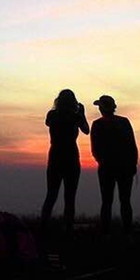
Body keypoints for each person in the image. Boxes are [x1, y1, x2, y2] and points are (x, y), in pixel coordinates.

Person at [41, 89, 89, 234]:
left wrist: (78, 115)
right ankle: (68, 228)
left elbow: (48, 122)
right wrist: (81, 114)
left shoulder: (52, 115)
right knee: (70, 196)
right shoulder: (75, 116)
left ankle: (44, 227)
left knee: (51, 194)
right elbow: (86, 130)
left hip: (55, 157)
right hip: (71, 158)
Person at [90, 95, 138, 234]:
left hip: (108, 168)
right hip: (122, 167)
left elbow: (95, 149)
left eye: (100, 106)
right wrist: (133, 164)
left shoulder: (98, 124)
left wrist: (102, 162)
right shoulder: (123, 122)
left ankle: (107, 232)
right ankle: (126, 231)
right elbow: (132, 145)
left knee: (107, 201)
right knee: (124, 201)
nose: (99, 108)